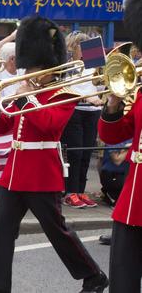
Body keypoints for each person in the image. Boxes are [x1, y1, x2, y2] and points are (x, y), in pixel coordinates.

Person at [0, 15, 108, 293]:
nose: (31, 71)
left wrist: (28, 96)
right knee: (2, 232)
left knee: (57, 232)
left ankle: (93, 275)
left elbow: (49, 126)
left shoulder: (64, 94)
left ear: (50, 66)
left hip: (41, 172)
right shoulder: (27, 91)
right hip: (13, 174)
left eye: (36, 67)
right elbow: (7, 125)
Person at [97, 0, 142, 292]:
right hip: (133, 198)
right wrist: (113, 102)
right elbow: (115, 132)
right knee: (123, 281)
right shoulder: (139, 88)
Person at [61, 31, 103, 208]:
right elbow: (66, 89)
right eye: (82, 45)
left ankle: (81, 191)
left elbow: (102, 82)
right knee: (76, 153)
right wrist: (86, 97)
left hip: (93, 111)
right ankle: (70, 192)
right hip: (75, 111)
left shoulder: (94, 63)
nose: (86, 49)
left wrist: (100, 96)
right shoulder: (68, 65)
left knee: (86, 154)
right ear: (73, 47)